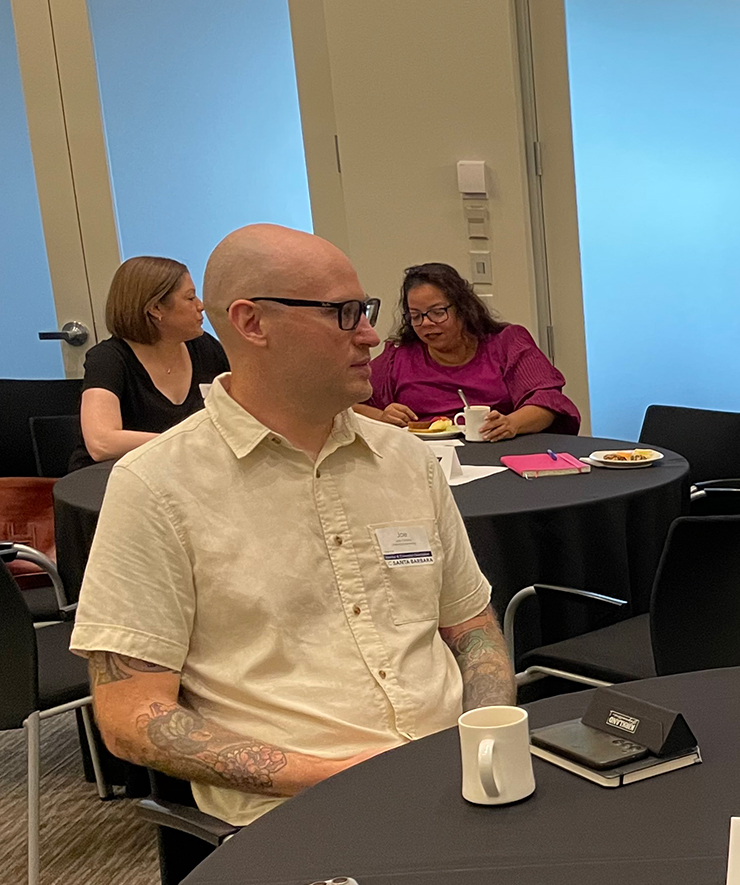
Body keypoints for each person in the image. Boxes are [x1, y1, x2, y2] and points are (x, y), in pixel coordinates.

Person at [71, 224, 514, 827]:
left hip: (458, 780)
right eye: (345, 314)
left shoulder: (407, 459)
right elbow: (130, 716)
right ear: (253, 323)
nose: (372, 338)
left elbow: (471, 623)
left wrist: (488, 733)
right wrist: (333, 778)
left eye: (367, 311)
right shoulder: (157, 486)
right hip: (297, 814)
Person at [357, 262, 580, 440]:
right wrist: (382, 416)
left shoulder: (506, 343)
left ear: (463, 308)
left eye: (437, 312)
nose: (425, 323)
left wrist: (511, 423)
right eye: (416, 315)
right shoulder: (399, 356)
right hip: (427, 461)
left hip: (498, 450)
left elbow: (547, 400)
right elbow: (347, 403)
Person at [69, 256, 230, 471]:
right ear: (155, 308)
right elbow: (101, 443)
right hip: (113, 480)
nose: (201, 306)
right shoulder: (109, 358)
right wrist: (189, 443)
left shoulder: (203, 346)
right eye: (190, 298)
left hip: (179, 473)